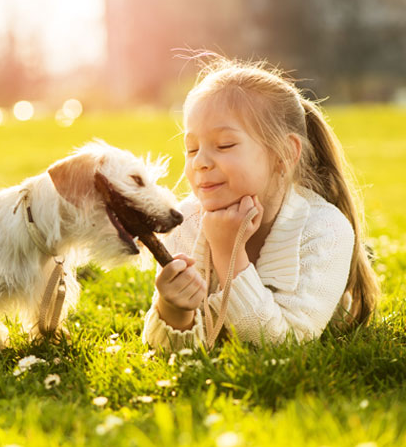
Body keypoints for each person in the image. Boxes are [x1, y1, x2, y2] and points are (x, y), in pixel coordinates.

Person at [142, 56, 380, 351]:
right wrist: (174, 309)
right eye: (191, 149)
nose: (200, 162)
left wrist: (230, 255)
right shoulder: (186, 222)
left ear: (284, 154)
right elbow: (167, 352)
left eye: (224, 145)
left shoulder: (325, 230)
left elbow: (285, 346)